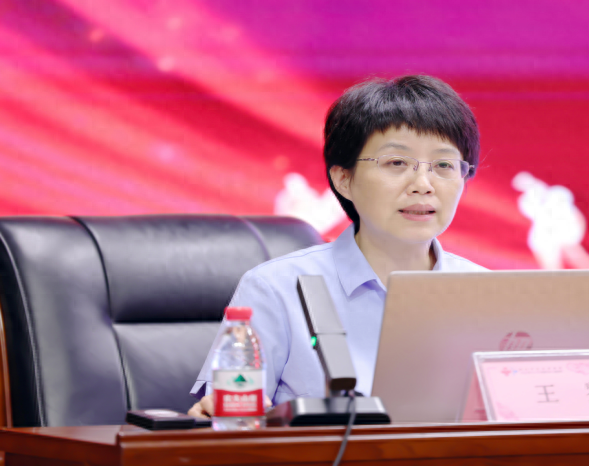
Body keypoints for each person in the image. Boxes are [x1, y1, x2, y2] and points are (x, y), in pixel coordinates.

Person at [188, 75, 486, 418]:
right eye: (396, 163)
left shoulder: (488, 292)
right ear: (343, 179)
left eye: (444, 165)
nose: (423, 184)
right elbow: (228, 419)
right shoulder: (276, 289)